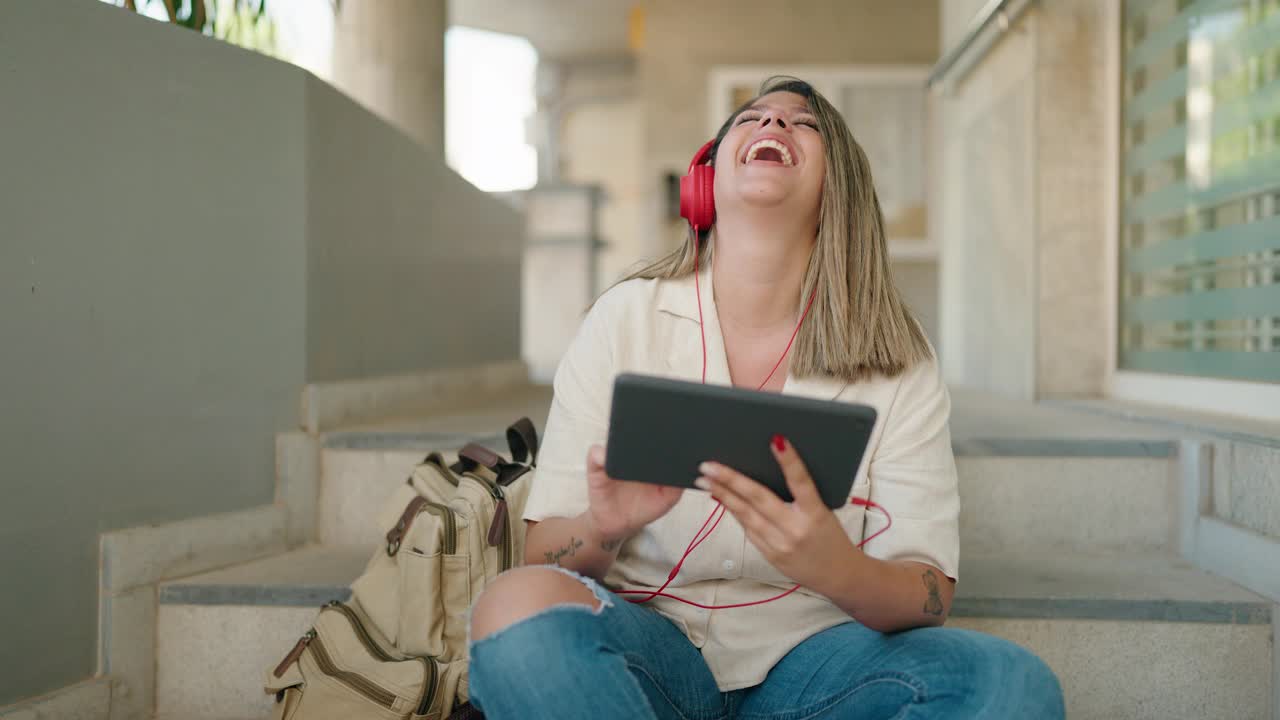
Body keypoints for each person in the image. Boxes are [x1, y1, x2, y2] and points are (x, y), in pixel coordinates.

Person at [465, 76, 1065, 719]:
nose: (773, 126)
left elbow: (929, 595)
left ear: (840, 189)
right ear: (706, 181)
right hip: (649, 653)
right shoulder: (623, 320)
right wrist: (604, 527)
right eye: (751, 119)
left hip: (821, 660)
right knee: (512, 605)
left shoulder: (899, 353)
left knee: (1013, 687)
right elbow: (548, 556)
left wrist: (834, 565)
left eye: (802, 124)